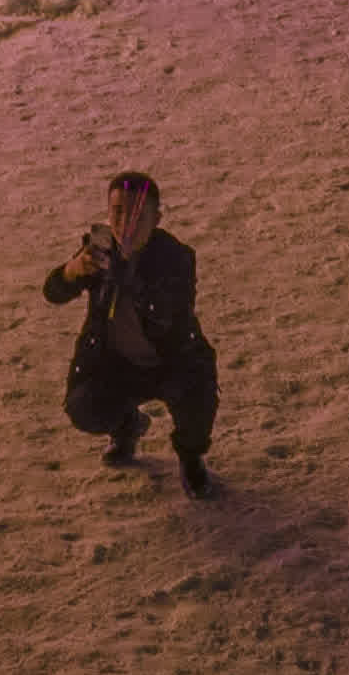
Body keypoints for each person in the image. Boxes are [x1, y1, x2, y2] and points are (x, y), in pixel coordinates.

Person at [44, 169, 220, 496]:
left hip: (171, 362)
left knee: (198, 401)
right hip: (116, 364)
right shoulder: (99, 249)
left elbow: (168, 314)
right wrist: (72, 271)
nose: (127, 222)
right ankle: (127, 427)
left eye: (138, 215)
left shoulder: (176, 257)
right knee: (83, 407)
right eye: (118, 212)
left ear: (157, 219)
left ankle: (191, 458)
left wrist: (126, 272)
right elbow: (52, 293)